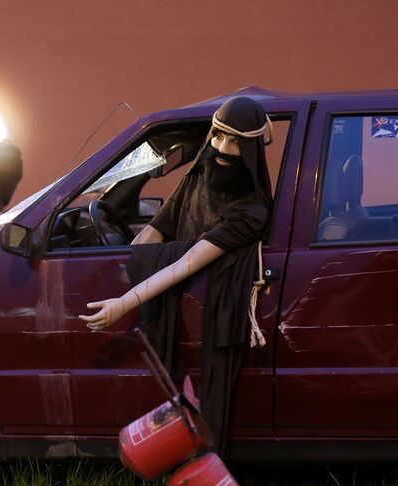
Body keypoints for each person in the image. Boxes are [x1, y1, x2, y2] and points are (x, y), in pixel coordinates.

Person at [78, 96, 274, 450]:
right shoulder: (198, 174)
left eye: (236, 141)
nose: (223, 148)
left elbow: (188, 261)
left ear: (251, 147)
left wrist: (124, 302)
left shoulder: (251, 212)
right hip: (175, 301)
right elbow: (156, 229)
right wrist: (128, 263)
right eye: (219, 136)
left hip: (204, 311)